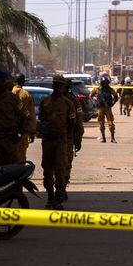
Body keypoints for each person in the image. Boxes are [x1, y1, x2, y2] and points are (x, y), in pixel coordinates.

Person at [36, 75, 82, 208]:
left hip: (62, 141)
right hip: (47, 141)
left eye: (60, 85)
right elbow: (42, 119)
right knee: (47, 169)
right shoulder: (45, 101)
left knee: (61, 168)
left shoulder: (69, 103)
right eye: (55, 84)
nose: (58, 87)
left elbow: (74, 123)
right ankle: (50, 196)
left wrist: (75, 139)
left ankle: (59, 195)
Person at [0, 71, 33, 168]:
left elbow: (25, 115)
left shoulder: (12, 98)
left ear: (2, 81)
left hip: (10, 139)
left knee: (12, 168)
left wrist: (19, 133)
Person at [12, 73, 36, 161]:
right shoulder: (26, 95)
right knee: (21, 158)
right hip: (22, 132)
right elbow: (31, 114)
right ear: (23, 82)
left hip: (9, 131)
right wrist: (32, 132)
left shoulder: (9, 92)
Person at [95, 77, 118, 142]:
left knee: (110, 123)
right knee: (101, 123)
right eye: (104, 83)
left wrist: (112, 104)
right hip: (100, 108)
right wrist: (95, 102)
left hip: (107, 108)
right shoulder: (97, 89)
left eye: (106, 83)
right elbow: (91, 95)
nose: (105, 84)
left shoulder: (110, 90)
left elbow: (116, 97)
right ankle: (104, 138)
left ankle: (112, 138)